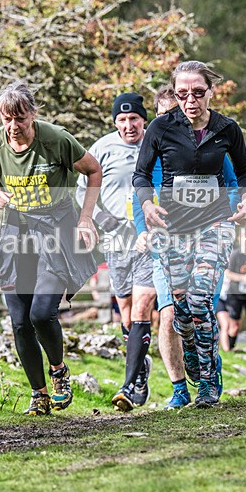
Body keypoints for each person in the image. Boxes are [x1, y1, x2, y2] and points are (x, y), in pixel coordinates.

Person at [0, 81, 101, 415]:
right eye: (7, 120)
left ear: (33, 115)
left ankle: (59, 371)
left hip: (56, 232)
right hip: (16, 236)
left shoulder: (56, 138)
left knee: (42, 313)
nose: (14, 128)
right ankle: (38, 394)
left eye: (21, 119)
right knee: (19, 321)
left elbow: (93, 170)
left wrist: (86, 218)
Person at [134, 61, 246, 408]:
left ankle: (207, 380)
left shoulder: (227, 128)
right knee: (182, 313)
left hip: (215, 224)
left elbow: (245, 170)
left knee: (201, 298)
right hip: (172, 229)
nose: (190, 100)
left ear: (210, 92)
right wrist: (146, 206)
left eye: (198, 93)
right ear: (174, 95)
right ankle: (195, 358)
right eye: (182, 94)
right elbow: (141, 176)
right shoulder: (160, 128)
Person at [76, 92, 156, 412]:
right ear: (114, 122)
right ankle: (141, 365)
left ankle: (130, 383)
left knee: (142, 306)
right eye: (121, 120)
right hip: (115, 238)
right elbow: (84, 187)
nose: (128, 125)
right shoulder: (103, 147)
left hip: (149, 237)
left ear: (143, 120)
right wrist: (97, 217)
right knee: (124, 308)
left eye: (134, 119)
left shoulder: (155, 143)